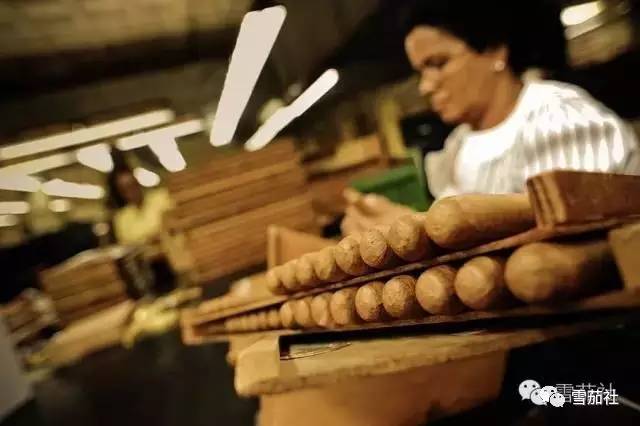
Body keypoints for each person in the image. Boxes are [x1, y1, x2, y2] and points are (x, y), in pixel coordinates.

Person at [342, 0, 639, 233]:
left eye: (438, 63)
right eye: (420, 71)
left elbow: (570, 235)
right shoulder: (458, 146)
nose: (425, 86)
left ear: (495, 51)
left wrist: (414, 225)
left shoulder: (557, 117)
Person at [108, 166, 174, 246]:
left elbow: (173, 224)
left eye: (133, 184)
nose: (132, 191)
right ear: (121, 193)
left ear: (138, 183)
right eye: (125, 189)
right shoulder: (121, 218)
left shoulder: (162, 196)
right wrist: (149, 239)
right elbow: (126, 246)